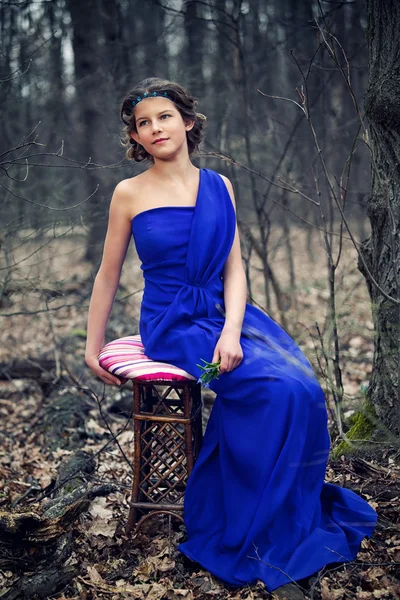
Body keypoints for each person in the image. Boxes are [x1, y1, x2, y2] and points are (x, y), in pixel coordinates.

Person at [85, 77, 378, 592]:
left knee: (303, 388)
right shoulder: (128, 194)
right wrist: (91, 347)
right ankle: (239, 519)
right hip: (173, 329)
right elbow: (108, 274)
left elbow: (234, 269)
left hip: (228, 318)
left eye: (164, 117)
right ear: (135, 137)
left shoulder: (220, 186)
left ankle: (285, 510)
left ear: (188, 122)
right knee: (266, 390)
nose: (155, 128)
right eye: (143, 123)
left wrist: (233, 332)